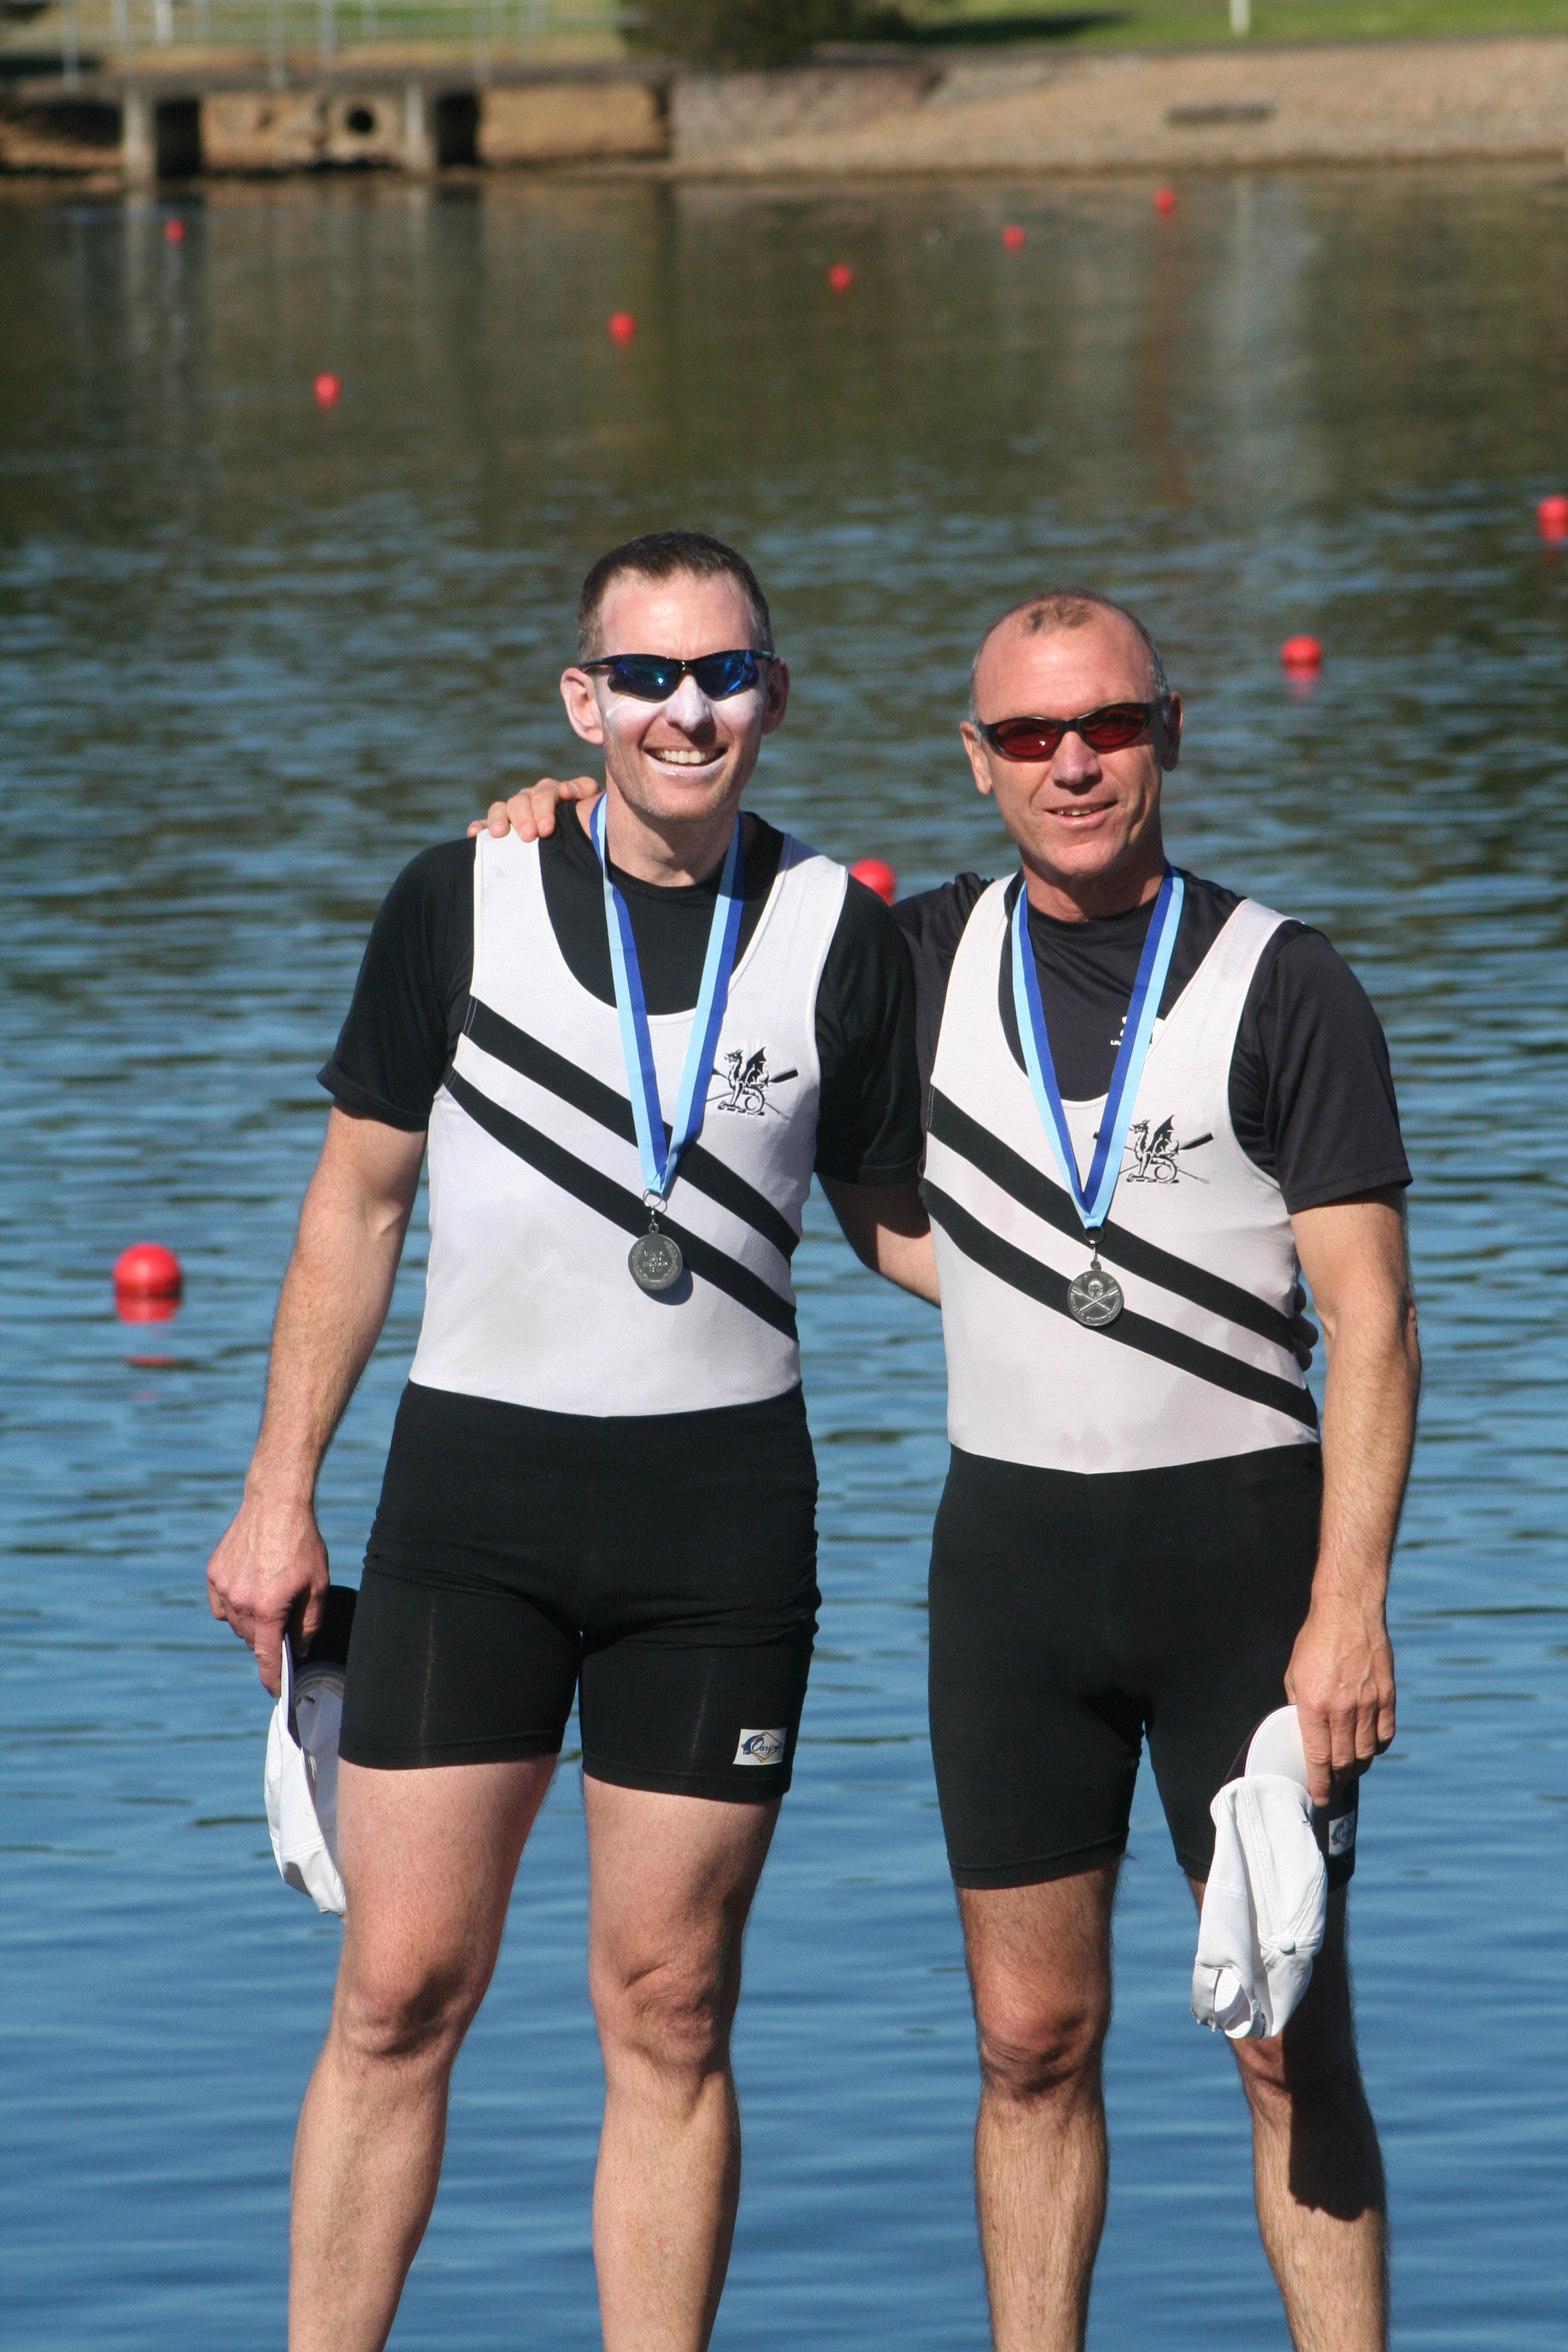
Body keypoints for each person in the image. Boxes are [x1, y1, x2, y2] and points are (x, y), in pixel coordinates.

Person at [485, 587, 1420, 2352]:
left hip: (1253, 1582)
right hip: (1013, 1579)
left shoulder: (1284, 984)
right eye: (1032, 737)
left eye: (1111, 727)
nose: (1075, 765)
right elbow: (692, 903)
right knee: (1026, 2043)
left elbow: (1373, 1323)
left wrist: (1348, 1613)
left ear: (1171, 731)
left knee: (1291, 2040)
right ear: (974, 760)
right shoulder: (898, 961)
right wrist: (550, 824)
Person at [205, 528, 933, 2352]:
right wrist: (276, 1496)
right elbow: (354, 1212)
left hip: (722, 1534)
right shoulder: (461, 896)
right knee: (398, 1992)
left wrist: (1163, 1295)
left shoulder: (844, 932)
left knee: (673, 2009)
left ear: (777, 690)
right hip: (476, 1512)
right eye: (648, 677)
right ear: (583, 699)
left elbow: (897, 1220)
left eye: (724, 673)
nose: (687, 711)